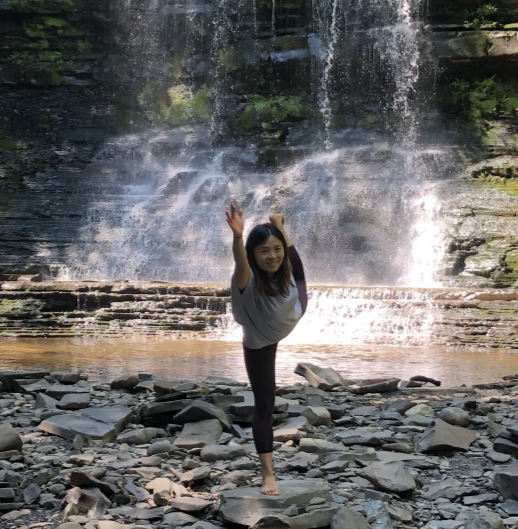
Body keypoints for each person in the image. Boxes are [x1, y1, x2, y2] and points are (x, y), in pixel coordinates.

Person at [225, 203, 308, 495]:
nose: (272, 255)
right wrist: (238, 236)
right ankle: (268, 475)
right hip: (261, 337)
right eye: (263, 250)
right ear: (252, 254)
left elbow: (293, 271)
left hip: (293, 310)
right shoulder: (245, 279)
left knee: (298, 276)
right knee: (265, 404)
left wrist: (279, 236)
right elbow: (240, 263)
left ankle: (279, 225)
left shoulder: (281, 269)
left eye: (277, 248)